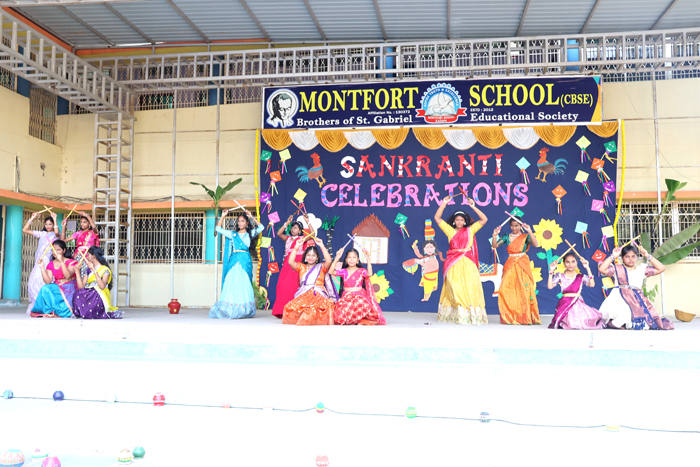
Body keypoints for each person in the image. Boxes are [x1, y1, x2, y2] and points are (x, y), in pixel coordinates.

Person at [434, 196, 488, 325]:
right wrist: (444, 203)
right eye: (457, 219)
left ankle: (470, 315)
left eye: (462, 220)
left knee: (470, 287)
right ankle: (458, 314)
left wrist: (473, 206)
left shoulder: (470, 230)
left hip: (468, 262)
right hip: (453, 262)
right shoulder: (449, 231)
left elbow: (484, 219)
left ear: (465, 221)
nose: (459, 222)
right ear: (454, 221)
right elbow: (437, 218)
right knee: (455, 287)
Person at [598, 244, 673, 330]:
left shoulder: (641, 269)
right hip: (619, 298)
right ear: (622, 258)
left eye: (633, 256)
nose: (631, 259)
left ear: (637, 257)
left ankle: (620, 324)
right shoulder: (617, 269)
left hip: (637, 299)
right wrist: (613, 256)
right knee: (625, 311)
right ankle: (614, 323)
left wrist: (647, 255)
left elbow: (661, 269)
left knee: (643, 320)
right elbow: (601, 269)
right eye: (627, 257)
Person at [209, 209, 264, 319]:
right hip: (234, 261)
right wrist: (223, 216)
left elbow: (261, 227)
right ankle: (230, 308)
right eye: (239, 221)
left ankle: (244, 309)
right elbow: (218, 229)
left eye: (243, 221)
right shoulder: (233, 234)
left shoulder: (250, 234)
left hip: (245, 260)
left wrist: (251, 217)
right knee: (232, 282)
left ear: (247, 223)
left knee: (244, 283)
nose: (240, 223)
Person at [492, 216, 541, 325]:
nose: (514, 228)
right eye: (512, 226)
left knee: (524, 289)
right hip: (510, 264)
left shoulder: (525, 236)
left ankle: (525, 317)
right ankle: (510, 317)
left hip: (522, 264)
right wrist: (495, 235)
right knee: (507, 289)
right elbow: (494, 246)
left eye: (516, 226)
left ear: (521, 226)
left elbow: (536, 244)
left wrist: (530, 231)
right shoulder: (506, 236)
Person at [282, 242, 337, 326]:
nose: (311, 257)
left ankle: (312, 319)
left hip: (318, 294)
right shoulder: (301, 267)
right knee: (289, 307)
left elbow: (329, 261)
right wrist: (296, 247)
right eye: (308, 255)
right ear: (305, 257)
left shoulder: (321, 267)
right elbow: (290, 262)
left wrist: (322, 245)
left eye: (313, 255)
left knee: (313, 307)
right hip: (304, 293)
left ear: (317, 258)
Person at [329, 247, 385, 325]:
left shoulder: (361, 271)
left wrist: (368, 260)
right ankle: (356, 320)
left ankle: (361, 320)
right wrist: (337, 258)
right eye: (349, 257)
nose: (351, 260)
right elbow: (331, 272)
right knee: (339, 319)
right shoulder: (344, 271)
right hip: (347, 297)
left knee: (366, 308)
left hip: (359, 297)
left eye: (354, 257)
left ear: (358, 260)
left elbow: (369, 274)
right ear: (346, 260)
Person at [547, 252, 603, 329]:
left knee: (583, 322)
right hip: (564, 304)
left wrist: (587, 268)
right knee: (571, 323)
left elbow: (592, 284)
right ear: (564, 263)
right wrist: (551, 271)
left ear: (576, 263)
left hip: (578, 303)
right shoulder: (560, 276)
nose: (570, 264)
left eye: (573, 262)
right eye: (567, 262)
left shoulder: (580, 277)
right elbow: (550, 286)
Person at [23, 211, 59, 314]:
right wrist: (32, 218)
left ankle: (45, 304)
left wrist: (55, 219)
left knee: (43, 281)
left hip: (46, 262)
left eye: (50, 224)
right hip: (38, 262)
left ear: (53, 225)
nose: (48, 226)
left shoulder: (55, 236)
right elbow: (25, 230)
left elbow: (57, 232)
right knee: (33, 282)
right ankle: (37, 303)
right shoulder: (42, 234)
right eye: (46, 224)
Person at [272, 215, 307, 318]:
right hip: (287, 264)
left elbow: (312, 234)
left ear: (300, 230)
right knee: (283, 285)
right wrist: (287, 223)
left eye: (295, 228)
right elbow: (279, 233)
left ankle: (296, 310)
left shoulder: (302, 239)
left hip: (298, 263)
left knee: (296, 285)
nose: (293, 229)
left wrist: (307, 221)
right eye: (292, 227)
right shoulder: (288, 238)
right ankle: (283, 310)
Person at [31, 240, 78, 318]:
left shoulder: (71, 262)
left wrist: (62, 261)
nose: (55, 252)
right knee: (45, 288)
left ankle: (63, 310)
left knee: (67, 307)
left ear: (64, 250)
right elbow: (48, 282)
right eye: (53, 250)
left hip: (69, 287)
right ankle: (47, 310)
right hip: (57, 288)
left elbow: (67, 276)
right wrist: (42, 267)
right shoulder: (51, 264)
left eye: (58, 250)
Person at [73, 246, 122, 319]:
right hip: (90, 291)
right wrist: (77, 273)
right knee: (78, 293)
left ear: (93, 256)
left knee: (93, 294)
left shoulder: (105, 269)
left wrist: (94, 271)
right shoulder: (88, 269)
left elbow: (102, 286)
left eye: (88, 255)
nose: (87, 257)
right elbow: (81, 287)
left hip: (99, 294)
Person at [61, 211, 99, 276]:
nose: (82, 224)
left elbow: (94, 227)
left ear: (89, 223)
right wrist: (63, 227)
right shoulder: (78, 233)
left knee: (87, 274)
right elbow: (62, 241)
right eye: (81, 222)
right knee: (77, 273)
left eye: (84, 222)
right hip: (78, 256)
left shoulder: (93, 232)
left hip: (89, 256)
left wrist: (87, 215)